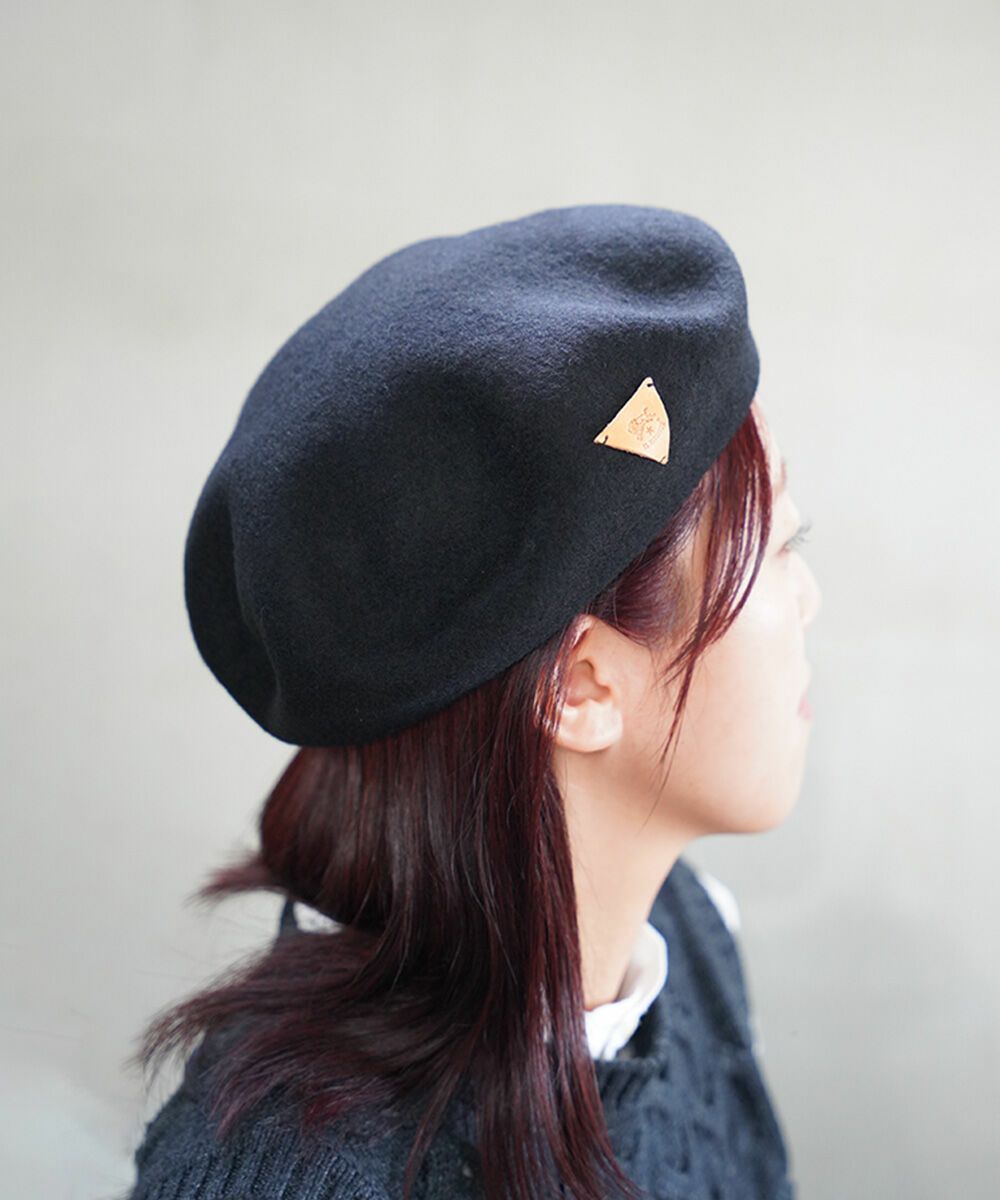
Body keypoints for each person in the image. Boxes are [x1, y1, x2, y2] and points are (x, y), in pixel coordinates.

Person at [118, 203, 821, 1200]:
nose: (808, 598)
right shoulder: (284, 1175)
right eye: (778, 548)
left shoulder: (684, 941)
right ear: (582, 685)